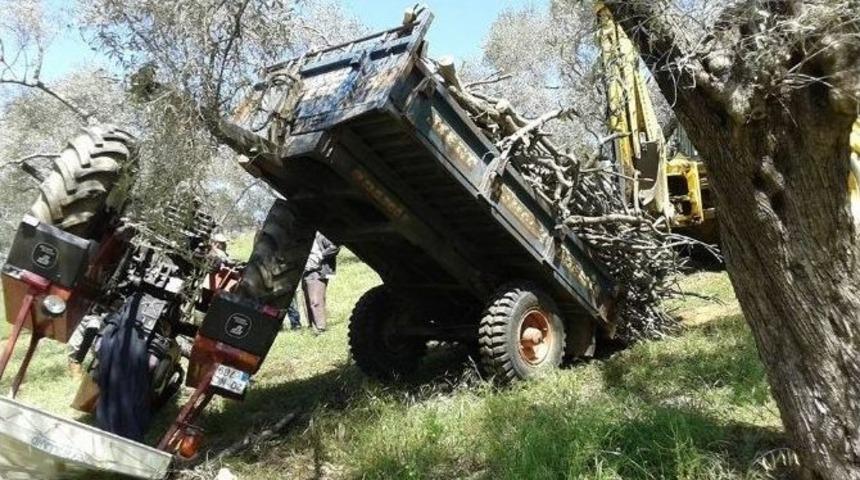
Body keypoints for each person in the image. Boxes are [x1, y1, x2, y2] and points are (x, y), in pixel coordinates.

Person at [301, 233, 340, 333]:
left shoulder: (320, 235)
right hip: (305, 271)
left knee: (316, 300)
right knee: (306, 300)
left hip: (318, 271)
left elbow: (334, 247)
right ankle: (312, 326)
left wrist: (321, 256)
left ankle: (321, 328)